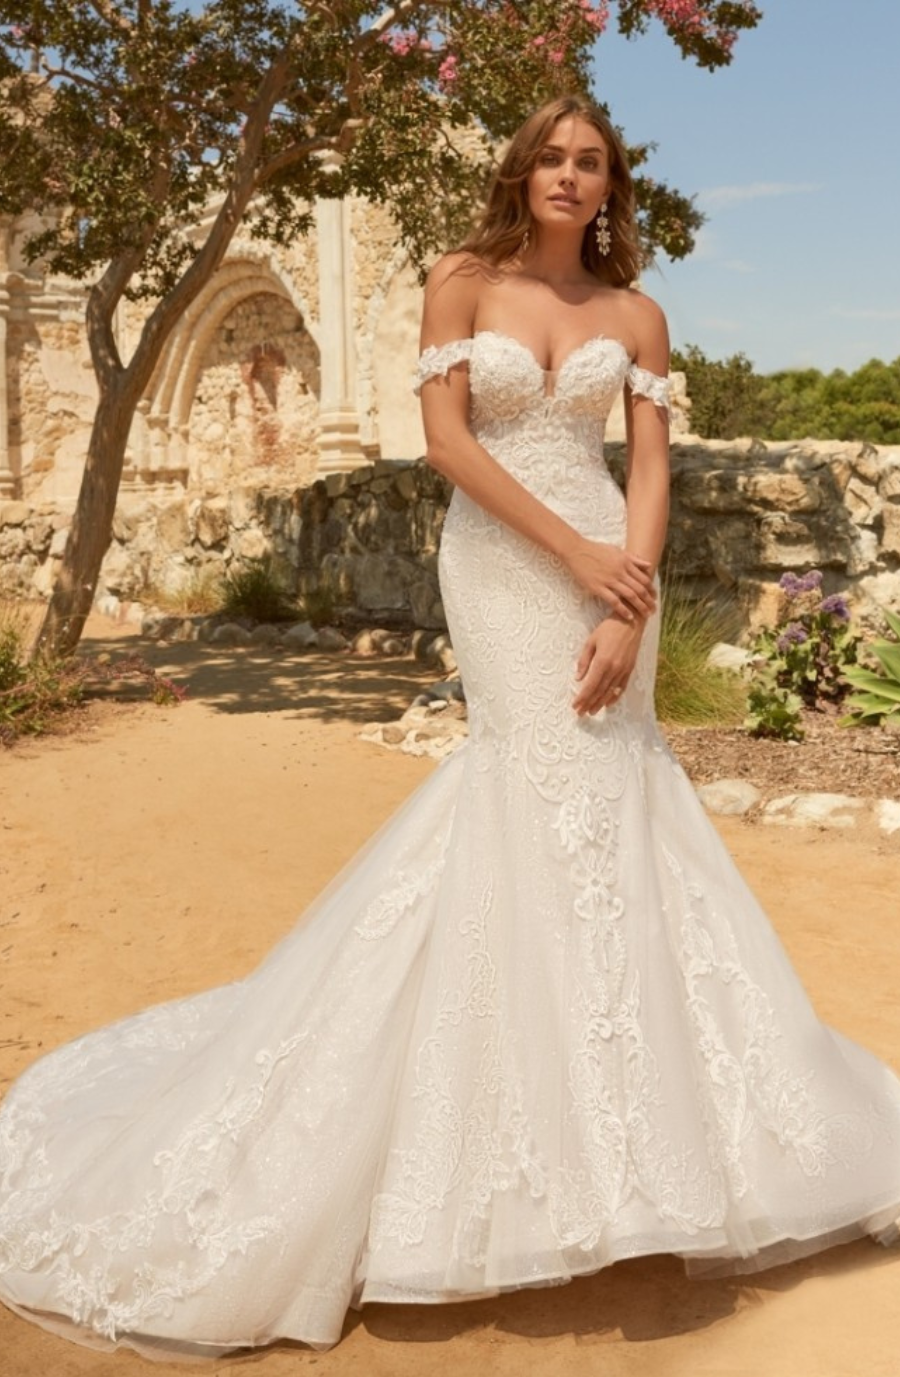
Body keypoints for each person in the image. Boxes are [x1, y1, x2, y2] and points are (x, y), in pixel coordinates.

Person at [0, 94, 898, 1362]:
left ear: (610, 185)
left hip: (608, 574)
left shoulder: (634, 314)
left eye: (592, 162)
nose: (571, 177)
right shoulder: (459, 282)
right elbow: (446, 442)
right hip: (505, 562)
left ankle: (643, 1147)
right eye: (552, 157)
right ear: (522, 171)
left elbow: (647, 463)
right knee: (524, 786)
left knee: (616, 800)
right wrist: (579, 558)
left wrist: (630, 599)